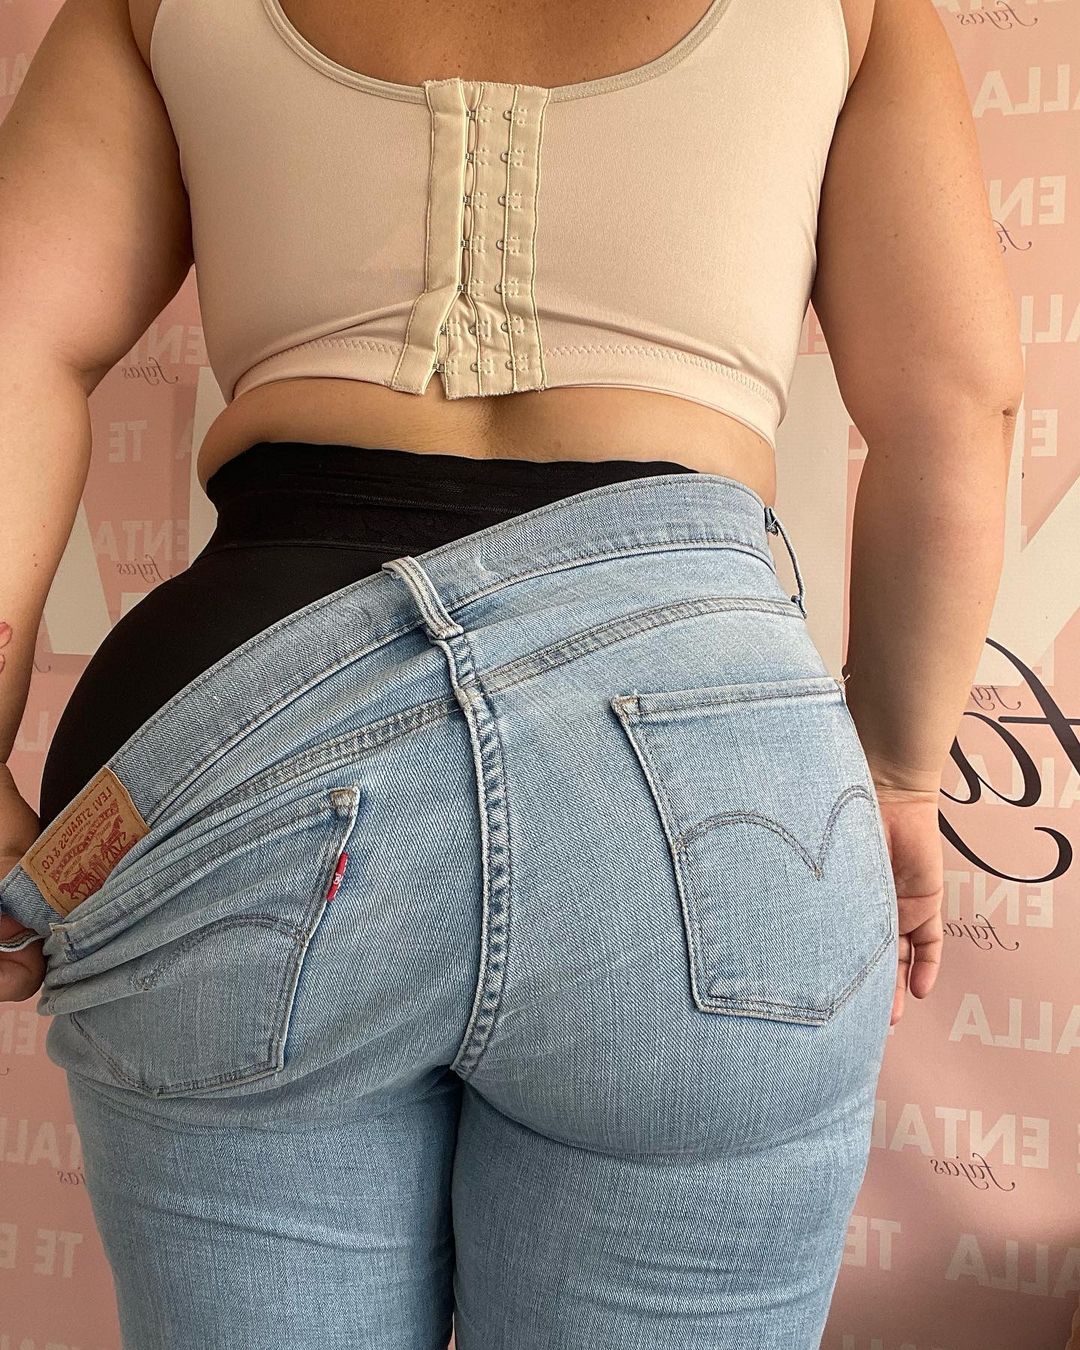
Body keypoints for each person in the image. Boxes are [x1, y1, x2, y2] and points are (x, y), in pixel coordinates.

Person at [0, 0, 1023, 1346]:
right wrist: (896, 768)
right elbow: (957, 400)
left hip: (244, 741)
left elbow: (15, 335)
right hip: (708, 776)